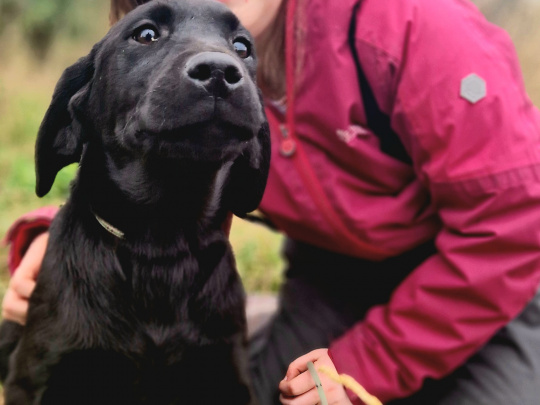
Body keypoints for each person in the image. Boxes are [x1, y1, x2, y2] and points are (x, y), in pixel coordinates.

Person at [3, 0, 540, 404]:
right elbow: (149, 166)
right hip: (334, 277)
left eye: (237, 51)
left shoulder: (413, 23)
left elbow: (515, 226)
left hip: (496, 285)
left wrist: (358, 371)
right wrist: (56, 237)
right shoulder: (174, 69)